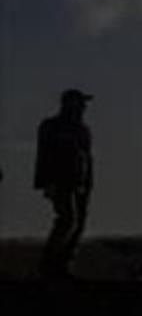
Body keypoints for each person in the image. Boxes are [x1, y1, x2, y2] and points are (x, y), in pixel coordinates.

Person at [34, 89, 94, 280]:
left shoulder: (82, 130)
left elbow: (87, 157)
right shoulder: (51, 126)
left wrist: (88, 182)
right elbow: (44, 156)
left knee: (78, 223)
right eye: (80, 103)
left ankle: (62, 265)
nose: (84, 108)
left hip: (80, 182)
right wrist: (45, 182)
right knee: (68, 219)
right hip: (60, 180)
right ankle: (48, 264)